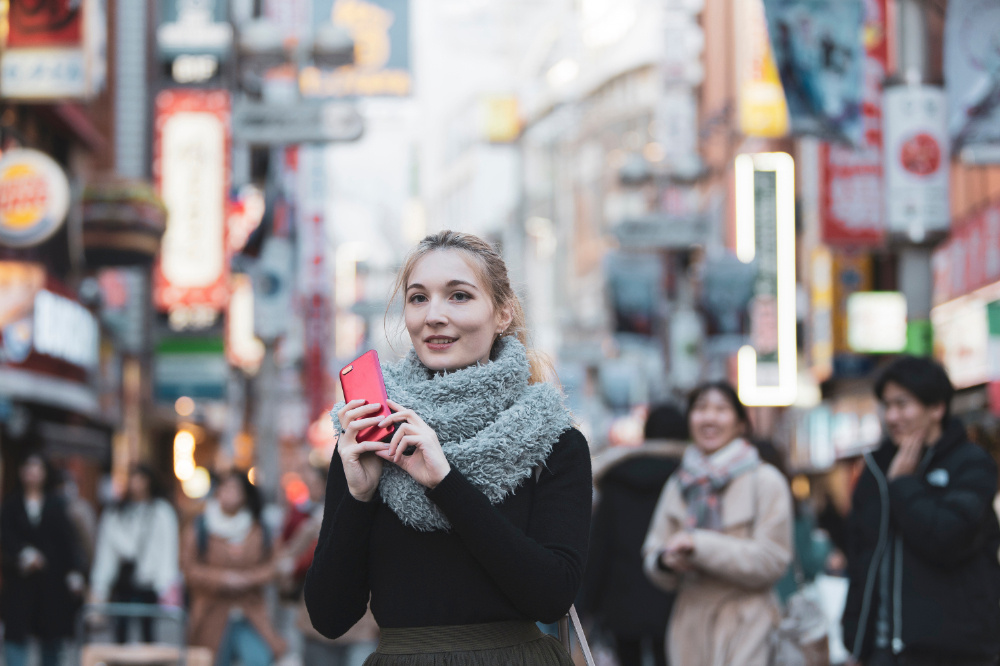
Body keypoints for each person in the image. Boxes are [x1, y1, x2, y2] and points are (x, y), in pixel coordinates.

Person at [305, 230, 593, 665]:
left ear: (502, 314)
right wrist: (360, 497)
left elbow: (550, 595)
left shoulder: (552, 441)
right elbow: (330, 616)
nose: (433, 316)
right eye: (418, 298)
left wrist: (444, 481)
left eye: (459, 296)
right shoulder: (371, 436)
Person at [841, 356, 1000, 666]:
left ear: (937, 408)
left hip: (955, 652)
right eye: (887, 406)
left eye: (903, 404)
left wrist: (903, 484)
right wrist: (856, 645)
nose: (893, 416)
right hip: (881, 651)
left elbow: (949, 538)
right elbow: (861, 562)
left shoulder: (971, 464)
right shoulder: (874, 470)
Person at [642, 381, 793, 666]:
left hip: (748, 622)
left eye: (721, 409)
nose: (709, 418)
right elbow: (652, 553)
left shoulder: (765, 481)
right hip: (688, 626)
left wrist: (699, 545)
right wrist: (665, 561)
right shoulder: (680, 483)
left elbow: (773, 560)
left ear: (740, 424)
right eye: (700, 408)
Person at [578, 403, 688, 666]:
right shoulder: (689, 478)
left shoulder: (617, 479)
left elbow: (600, 544)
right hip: (673, 596)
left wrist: (586, 604)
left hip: (622, 598)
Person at [182, 469, 287, 666]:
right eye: (225, 488)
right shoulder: (201, 526)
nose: (229, 493)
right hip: (211, 611)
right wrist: (223, 579)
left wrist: (247, 579)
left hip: (250, 612)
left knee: (258, 659)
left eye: (235, 489)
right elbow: (188, 568)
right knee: (211, 660)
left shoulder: (259, 527)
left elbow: (273, 564)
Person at [278, 462, 378, 665]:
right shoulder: (312, 524)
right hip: (318, 623)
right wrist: (302, 563)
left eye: (315, 484)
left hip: (362, 626)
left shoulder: (375, 520)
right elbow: (283, 568)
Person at [0, 452, 86, 666]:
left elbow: (69, 543)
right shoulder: (11, 505)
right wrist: (22, 555)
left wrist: (75, 572)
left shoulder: (56, 505)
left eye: (37, 468)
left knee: (51, 642)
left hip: (51, 585)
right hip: (20, 584)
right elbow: (5, 540)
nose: (32, 473)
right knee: (16, 639)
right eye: (27, 467)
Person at [89, 464, 179, 643]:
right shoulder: (116, 512)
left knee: (149, 633)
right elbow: (106, 552)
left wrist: (166, 583)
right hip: (122, 581)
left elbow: (168, 550)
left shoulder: (161, 512)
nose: (137, 484)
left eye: (141, 479)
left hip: (149, 582)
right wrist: (99, 586)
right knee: (120, 633)